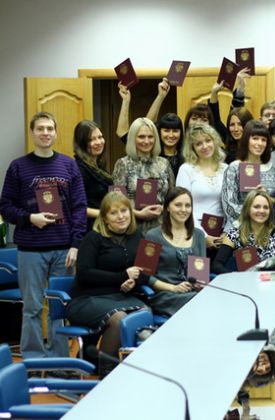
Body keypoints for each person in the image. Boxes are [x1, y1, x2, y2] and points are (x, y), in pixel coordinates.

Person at [0, 112, 87, 359]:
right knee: (32, 308)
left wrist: (76, 244)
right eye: (40, 128)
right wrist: (30, 218)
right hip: (31, 250)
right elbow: (5, 206)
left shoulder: (69, 165)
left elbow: (79, 207)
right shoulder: (18, 166)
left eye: (50, 128)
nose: (45, 133)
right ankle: (33, 360)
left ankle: (59, 360)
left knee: (59, 309)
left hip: (64, 250)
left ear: (56, 133)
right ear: (32, 133)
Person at [66, 192, 148, 376]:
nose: (120, 216)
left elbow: (145, 271)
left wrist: (132, 283)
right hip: (86, 299)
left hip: (120, 297)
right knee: (119, 319)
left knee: (145, 312)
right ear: (104, 218)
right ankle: (107, 374)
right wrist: (122, 276)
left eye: (124, 211)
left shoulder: (138, 236)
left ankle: (134, 370)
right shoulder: (93, 238)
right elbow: (84, 274)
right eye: (113, 213)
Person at [145, 187, 206, 316]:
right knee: (202, 303)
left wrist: (200, 283)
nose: (183, 210)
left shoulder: (199, 235)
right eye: (178, 205)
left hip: (193, 293)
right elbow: (144, 275)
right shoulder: (152, 236)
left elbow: (200, 275)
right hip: (166, 295)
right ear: (167, 207)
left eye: (187, 205)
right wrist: (173, 288)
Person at [112, 118, 174, 233]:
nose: (146, 141)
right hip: (132, 227)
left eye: (150, 137)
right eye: (141, 137)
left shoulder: (164, 163)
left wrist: (164, 208)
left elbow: (173, 197)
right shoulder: (123, 164)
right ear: (132, 138)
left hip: (162, 227)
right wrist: (139, 214)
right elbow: (116, 202)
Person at [212, 190, 275, 274]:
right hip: (244, 281)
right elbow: (217, 265)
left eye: (266, 207)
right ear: (247, 209)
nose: (262, 211)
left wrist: (270, 276)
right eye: (257, 207)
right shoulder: (234, 233)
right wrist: (234, 277)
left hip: (272, 279)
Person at [221, 120, 275, 230]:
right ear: (246, 140)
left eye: (263, 140)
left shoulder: (273, 169)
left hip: (265, 229)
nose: (260, 143)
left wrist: (266, 197)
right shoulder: (234, 168)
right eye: (255, 138)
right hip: (238, 229)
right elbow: (229, 206)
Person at [176, 124, 227, 251]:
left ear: (215, 141)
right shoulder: (186, 169)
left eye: (208, 140)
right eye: (198, 143)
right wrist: (203, 236)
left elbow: (231, 206)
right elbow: (182, 206)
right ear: (192, 148)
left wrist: (226, 233)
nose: (205, 146)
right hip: (193, 232)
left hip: (222, 235)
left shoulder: (226, 169)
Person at [73, 120, 112, 231]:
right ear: (82, 143)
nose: (98, 142)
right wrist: (108, 215)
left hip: (106, 224)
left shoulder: (99, 164)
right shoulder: (79, 169)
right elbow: (77, 207)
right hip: (91, 228)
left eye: (100, 137)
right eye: (91, 139)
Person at [208, 71, 254, 164]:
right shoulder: (227, 139)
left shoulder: (256, 144)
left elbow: (237, 111)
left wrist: (240, 89)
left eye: (240, 124)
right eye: (232, 125)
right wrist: (214, 92)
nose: (236, 129)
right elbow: (215, 119)